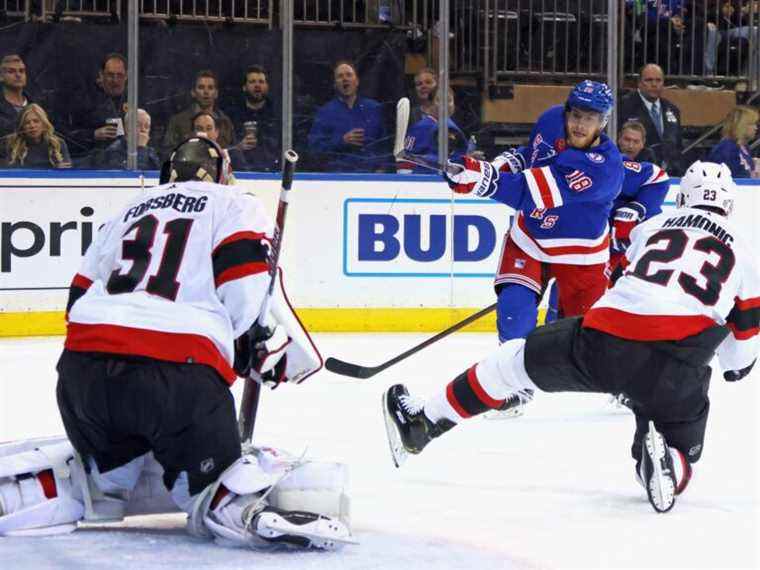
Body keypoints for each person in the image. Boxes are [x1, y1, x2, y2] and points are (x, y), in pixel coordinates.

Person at [0, 137, 353, 549]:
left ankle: (19, 496)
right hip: (176, 378)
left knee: (99, 482)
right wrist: (252, 351)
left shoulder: (127, 211)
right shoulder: (233, 202)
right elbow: (248, 289)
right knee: (211, 487)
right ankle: (244, 508)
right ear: (222, 174)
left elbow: (78, 297)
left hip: (83, 374)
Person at [383, 161, 759, 514]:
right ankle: (669, 463)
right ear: (729, 203)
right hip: (676, 366)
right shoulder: (745, 253)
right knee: (680, 444)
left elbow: (623, 279)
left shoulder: (652, 227)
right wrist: (733, 365)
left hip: (606, 340)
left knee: (511, 362)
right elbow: (740, 355)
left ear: (682, 197)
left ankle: (424, 423)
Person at [307, 61, 387, 172]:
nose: (345, 79)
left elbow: (385, 145)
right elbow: (314, 149)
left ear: (357, 81)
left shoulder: (373, 109)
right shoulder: (325, 113)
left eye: (349, 75)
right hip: (338, 179)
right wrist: (341, 141)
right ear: (335, 84)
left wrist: (381, 171)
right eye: (340, 76)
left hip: (370, 179)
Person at [619, 64, 684, 175]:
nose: (654, 84)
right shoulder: (623, 106)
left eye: (658, 80)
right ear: (639, 83)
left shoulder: (672, 109)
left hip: (669, 175)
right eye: (649, 80)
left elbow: (678, 145)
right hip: (635, 172)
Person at [67, 53, 130, 157]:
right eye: (110, 75)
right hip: (91, 162)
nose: (115, 80)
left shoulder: (134, 98)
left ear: (126, 76)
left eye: (120, 75)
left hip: (128, 162)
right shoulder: (84, 99)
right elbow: (66, 135)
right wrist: (93, 134)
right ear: (101, 75)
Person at [398, 86, 470, 174]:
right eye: (440, 100)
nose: (445, 104)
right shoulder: (421, 128)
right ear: (430, 104)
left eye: (449, 100)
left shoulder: (452, 128)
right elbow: (406, 162)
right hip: (425, 181)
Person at [163, 70, 235, 157]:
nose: (206, 92)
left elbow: (232, 151)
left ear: (216, 93)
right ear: (193, 92)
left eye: (210, 88)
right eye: (201, 87)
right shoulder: (177, 121)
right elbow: (167, 153)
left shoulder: (225, 122)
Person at [227, 65, 280, 171]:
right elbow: (223, 149)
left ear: (267, 86)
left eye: (261, 82)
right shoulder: (231, 116)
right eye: (252, 82)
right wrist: (238, 148)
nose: (257, 85)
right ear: (244, 87)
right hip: (239, 174)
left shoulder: (277, 116)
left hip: (273, 175)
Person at [86, 108, 161, 170]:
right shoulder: (114, 151)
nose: (143, 130)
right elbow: (132, 177)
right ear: (126, 128)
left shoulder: (150, 151)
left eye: (147, 126)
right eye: (138, 125)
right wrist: (140, 148)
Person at [1, 103, 71, 168]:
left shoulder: (58, 144)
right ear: (22, 126)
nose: (32, 126)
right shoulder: (11, 144)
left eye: (36, 121)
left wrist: (59, 170)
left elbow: (67, 171)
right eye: (27, 123)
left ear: (44, 124)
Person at [706, 105, 758, 179]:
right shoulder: (726, 148)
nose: (755, 128)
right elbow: (723, 176)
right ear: (741, 125)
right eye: (752, 124)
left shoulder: (744, 147)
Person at [0, 54, 34, 138]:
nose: (18, 75)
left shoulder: (37, 106)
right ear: (1, 77)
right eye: (11, 71)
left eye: (21, 71)